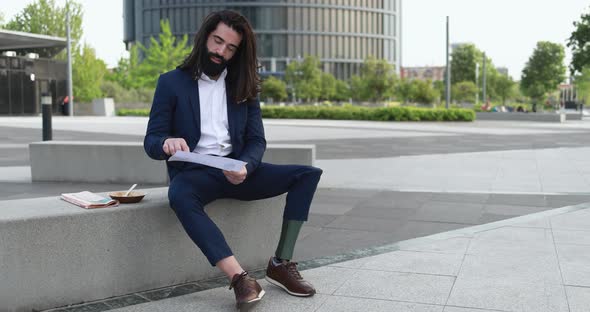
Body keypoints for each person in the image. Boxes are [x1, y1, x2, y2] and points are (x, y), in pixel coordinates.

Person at [143, 10, 322, 310]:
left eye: (230, 48)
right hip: (194, 174)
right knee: (180, 195)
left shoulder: (243, 84)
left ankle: (281, 263)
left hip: (237, 171)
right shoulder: (171, 83)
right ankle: (240, 279)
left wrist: (246, 166)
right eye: (217, 41)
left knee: (308, 174)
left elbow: (256, 140)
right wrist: (165, 142)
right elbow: (151, 141)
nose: (220, 51)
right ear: (204, 38)